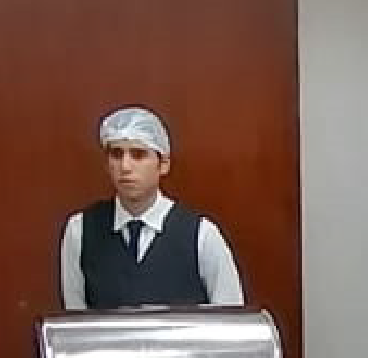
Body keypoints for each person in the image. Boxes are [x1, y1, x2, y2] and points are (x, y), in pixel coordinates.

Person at [58, 107, 243, 310]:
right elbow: (75, 319)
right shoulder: (81, 230)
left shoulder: (201, 235)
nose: (125, 167)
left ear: (163, 164)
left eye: (138, 155)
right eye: (116, 154)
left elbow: (229, 319)